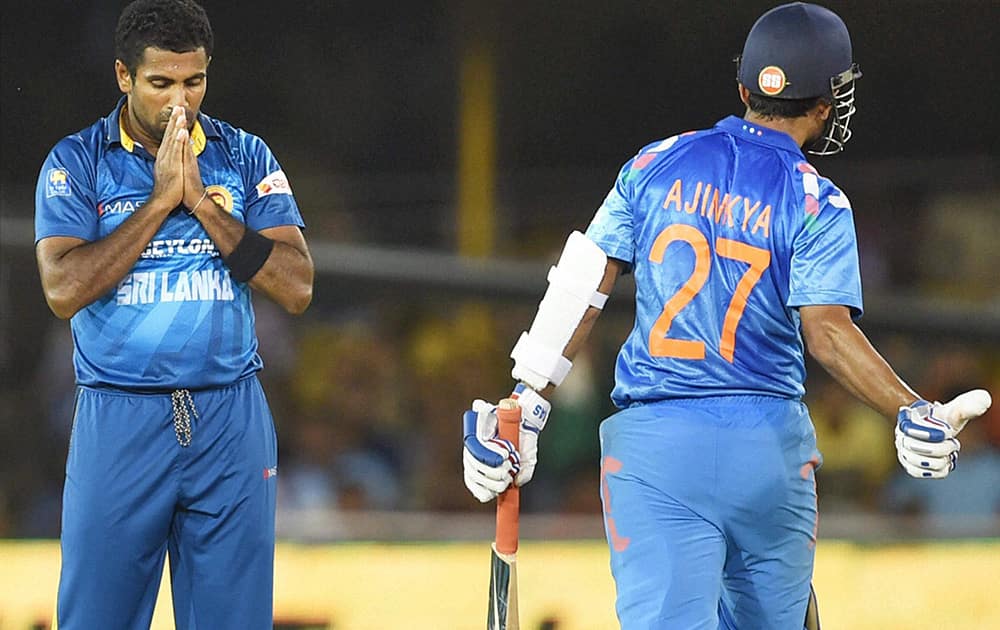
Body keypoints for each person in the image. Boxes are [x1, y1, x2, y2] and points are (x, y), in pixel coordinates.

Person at [461, 3, 991, 629]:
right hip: (768, 451)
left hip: (656, 449)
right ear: (827, 104)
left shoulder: (654, 163)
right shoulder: (816, 199)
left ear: (744, 88)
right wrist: (909, 410)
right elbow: (827, 333)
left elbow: (583, 285)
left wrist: (527, 399)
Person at [33, 1, 314, 627]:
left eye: (194, 81)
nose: (179, 102)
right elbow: (62, 288)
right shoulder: (77, 162)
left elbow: (296, 285)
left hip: (228, 417)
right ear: (123, 76)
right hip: (119, 416)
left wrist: (207, 210)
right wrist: (160, 204)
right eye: (160, 83)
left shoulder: (245, 157)